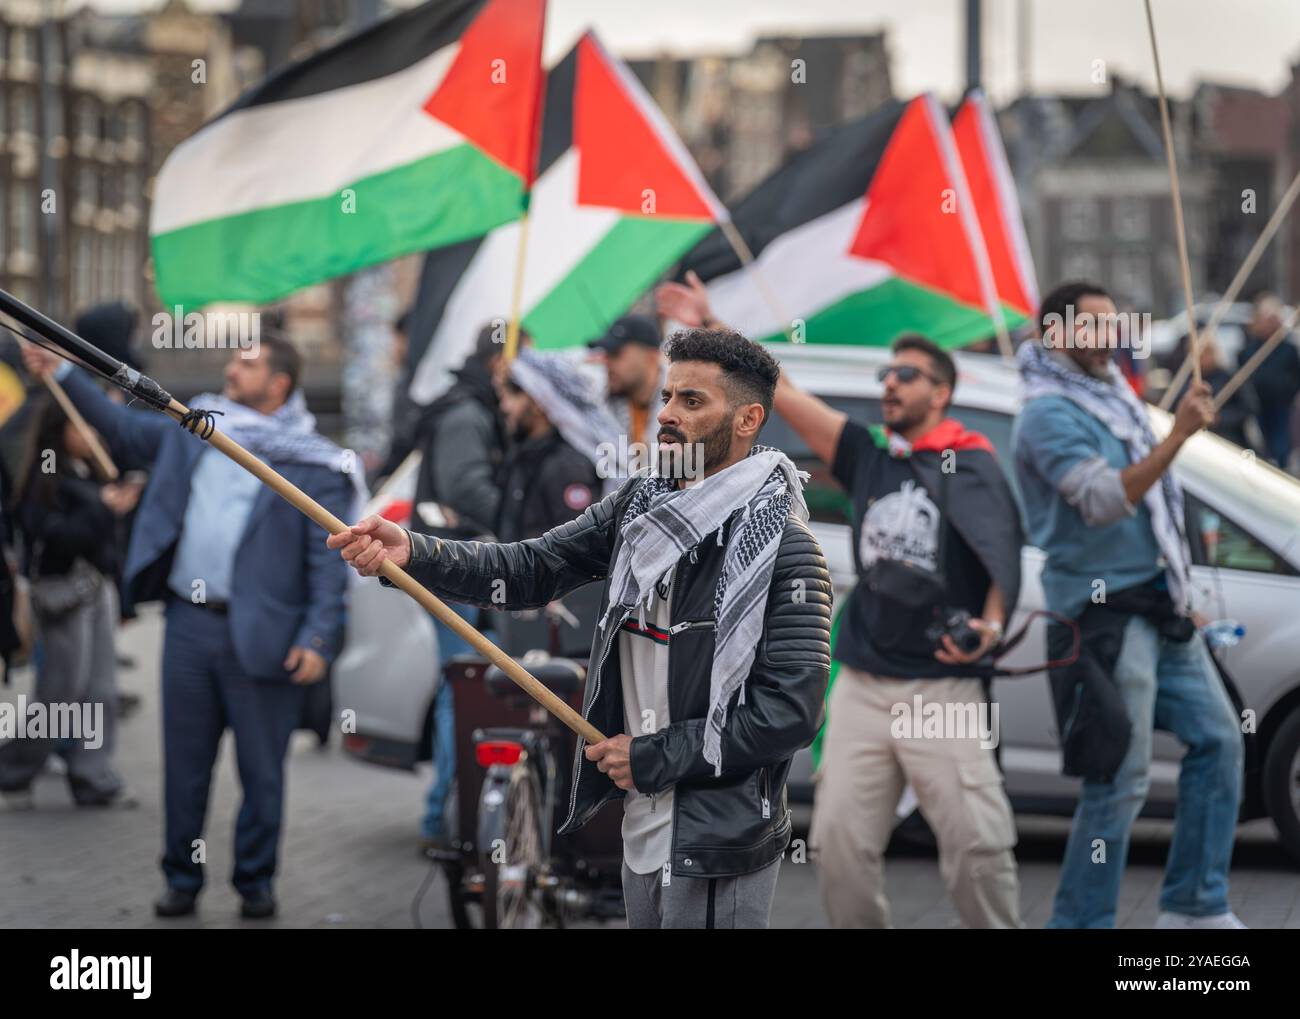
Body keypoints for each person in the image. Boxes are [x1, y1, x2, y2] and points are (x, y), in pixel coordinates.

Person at [330, 328, 833, 929]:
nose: (667, 416)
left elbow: (789, 713)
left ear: (749, 419)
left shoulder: (787, 547)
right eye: (668, 396)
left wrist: (651, 756)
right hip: (642, 821)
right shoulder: (641, 507)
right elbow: (531, 567)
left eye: (692, 402)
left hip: (718, 836)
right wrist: (412, 551)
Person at [657, 272, 1024, 929]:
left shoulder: (973, 465)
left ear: (941, 391)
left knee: (976, 843)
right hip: (861, 681)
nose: (890, 383)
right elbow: (783, 392)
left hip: (941, 689)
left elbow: (1001, 551)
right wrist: (714, 326)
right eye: (887, 373)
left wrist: (990, 626)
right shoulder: (869, 457)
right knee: (839, 846)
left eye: (907, 375)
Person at [21, 336, 352, 920]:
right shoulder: (200, 429)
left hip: (265, 640)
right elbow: (120, 429)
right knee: (185, 768)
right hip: (190, 628)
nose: (231, 368)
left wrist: (318, 637)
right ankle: (181, 878)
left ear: (280, 384)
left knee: (261, 774)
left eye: (247, 364)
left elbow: (327, 561)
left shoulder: (313, 461)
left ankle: (255, 883)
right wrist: (64, 373)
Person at [1013, 280, 1245, 930]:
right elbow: (1104, 499)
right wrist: (1179, 438)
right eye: (1094, 327)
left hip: (1157, 604)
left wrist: (1185, 592)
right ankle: (1080, 922)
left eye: (1115, 325)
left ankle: (1195, 904)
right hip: (1104, 616)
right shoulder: (1046, 411)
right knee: (1119, 777)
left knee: (1221, 740)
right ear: (1057, 333)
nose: (1110, 337)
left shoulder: (1112, 392)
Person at [0, 393, 137, 806]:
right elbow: (52, 539)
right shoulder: (46, 475)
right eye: (84, 425)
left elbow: (107, 545)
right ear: (63, 429)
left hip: (96, 592)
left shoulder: (92, 471)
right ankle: (12, 769)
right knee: (62, 692)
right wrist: (101, 508)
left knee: (101, 688)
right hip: (63, 594)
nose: (94, 434)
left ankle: (92, 775)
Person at [493, 349, 613, 542]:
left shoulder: (567, 466)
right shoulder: (524, 456)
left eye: (513, 396)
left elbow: (576, 547)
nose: (505, 407)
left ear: (538, 402)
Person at [588, 314, 666, 456]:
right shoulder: (602, 404)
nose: (607, 362)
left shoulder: (685, 402)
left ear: (651, 357)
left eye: (615, 353)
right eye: (606, 354)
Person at [1237, 293, 1300, 466]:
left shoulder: (1288, 348)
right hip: (1257, 407)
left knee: (1281, 448)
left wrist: (1287, 391)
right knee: (1262, 447)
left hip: (1281, 407)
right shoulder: (1249, 349)